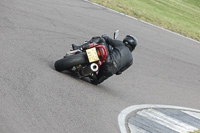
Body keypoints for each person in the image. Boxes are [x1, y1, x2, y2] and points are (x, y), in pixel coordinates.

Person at [72, 34, 138, 85]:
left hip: (106, 60)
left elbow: (107, 39)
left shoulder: (121, 44)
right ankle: (91, 73)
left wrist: (105, 35)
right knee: (95, 82)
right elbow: (118, 72)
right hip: (109, 72)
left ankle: (80, 48)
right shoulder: (131, 60)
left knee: (101, 39)